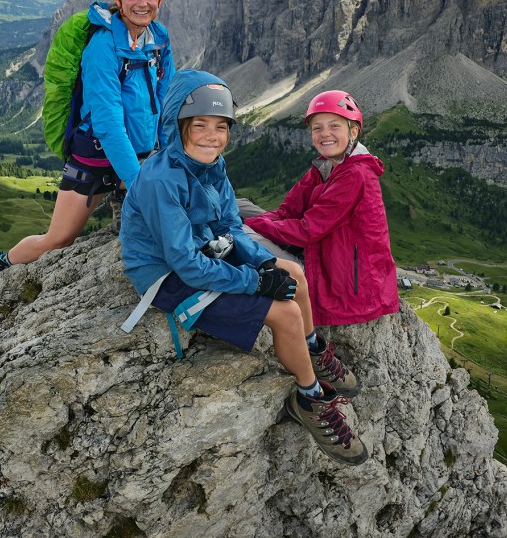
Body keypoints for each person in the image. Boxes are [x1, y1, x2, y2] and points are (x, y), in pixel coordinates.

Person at [120, 69, 368, 465]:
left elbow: (230, 224)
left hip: (202, 252)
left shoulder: (211, 166)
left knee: (293, 273)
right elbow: (185, 263)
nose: (211, 136)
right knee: (285, 313)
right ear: (176, 126)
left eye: (221, 127)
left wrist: (266, 265)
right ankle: (310, 398)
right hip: (167, 276)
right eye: (198, 125)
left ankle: (312, 349)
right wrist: (254, 283)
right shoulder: (159, 180)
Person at [0, 0, 175, 269]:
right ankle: (5, 264)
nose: (142, 3)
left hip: (140, 152)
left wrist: (163, 156)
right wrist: (139, 184)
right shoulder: (102, 47)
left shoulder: (158, 39)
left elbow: (166, 99)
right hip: (93, 154)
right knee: (58, 239)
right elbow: (107, 123)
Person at [244, 90, 399, 328]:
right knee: (238, 206)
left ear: (353, 131)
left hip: (341, 284)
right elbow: (287, 212)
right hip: (322, 256)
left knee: (241, 235)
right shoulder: (324, 168)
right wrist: (252, 221)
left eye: (334, 126)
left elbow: (307, 230)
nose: (325, 134)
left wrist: (248, 227)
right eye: (317, 128)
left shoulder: (355, 174)